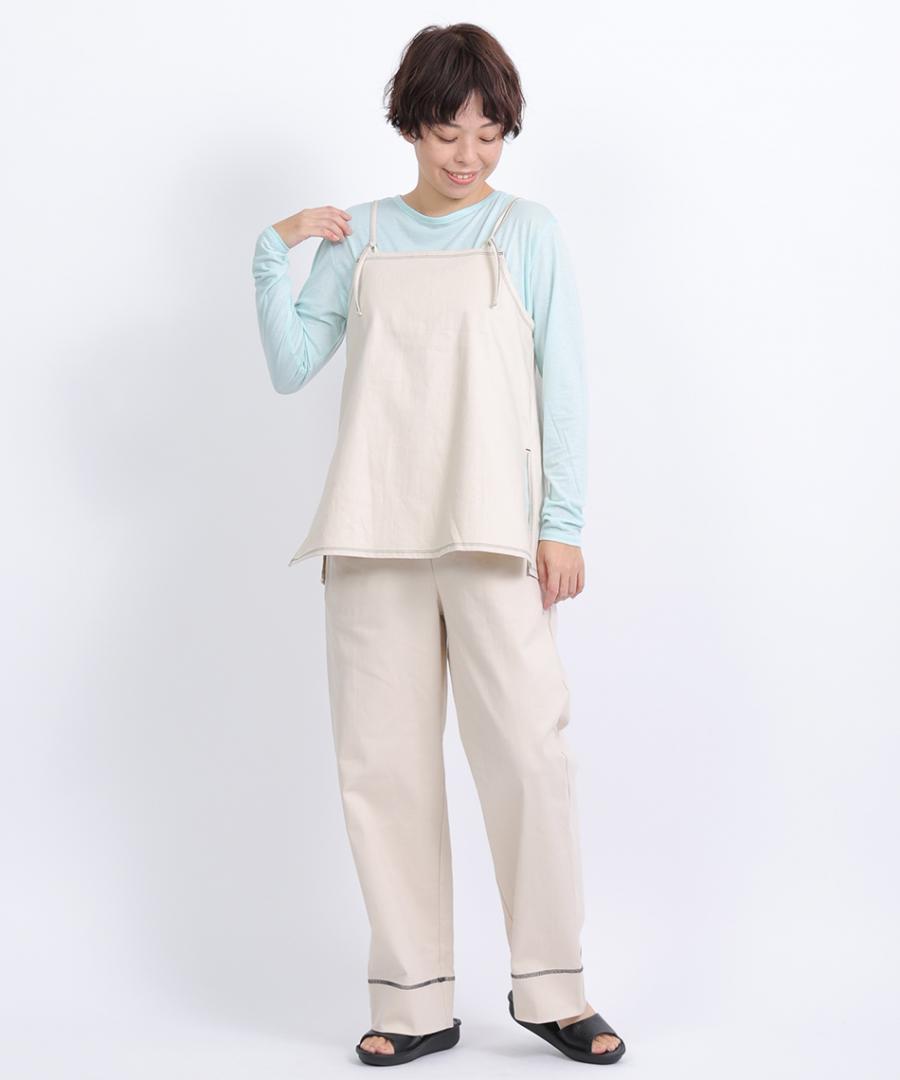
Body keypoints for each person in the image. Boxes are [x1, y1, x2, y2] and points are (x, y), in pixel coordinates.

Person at [252, 22, 626, 1068]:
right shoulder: (362, 235)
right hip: (373, 537)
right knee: (383, 769)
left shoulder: (527, 231)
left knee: (530, 759)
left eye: (488, 134)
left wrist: (561, 522)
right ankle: (413, 1001)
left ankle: (554, 991)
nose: (468, 156)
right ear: (409, 125)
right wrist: (272, 255)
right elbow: (292, 365)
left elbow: (565, 382)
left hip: (495, 537)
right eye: (446, 132)